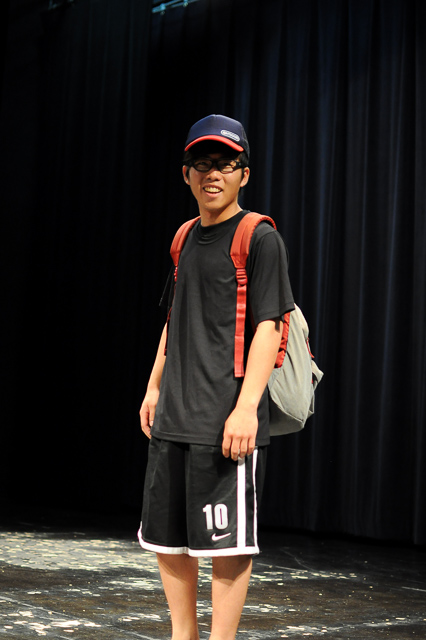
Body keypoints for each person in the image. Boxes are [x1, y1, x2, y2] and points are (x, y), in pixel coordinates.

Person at [138, 114, 294, 640]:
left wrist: (247, 407)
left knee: (226, 546)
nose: (213, 174)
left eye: (226, 164)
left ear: (244, 174)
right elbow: (173, 317)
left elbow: (271, 325)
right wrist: (154, 386)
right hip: (174, 416)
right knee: (168, 540)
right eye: (202, 164)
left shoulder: (259, 237)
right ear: (186, 174)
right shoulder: (184, 237)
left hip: (226, 420)